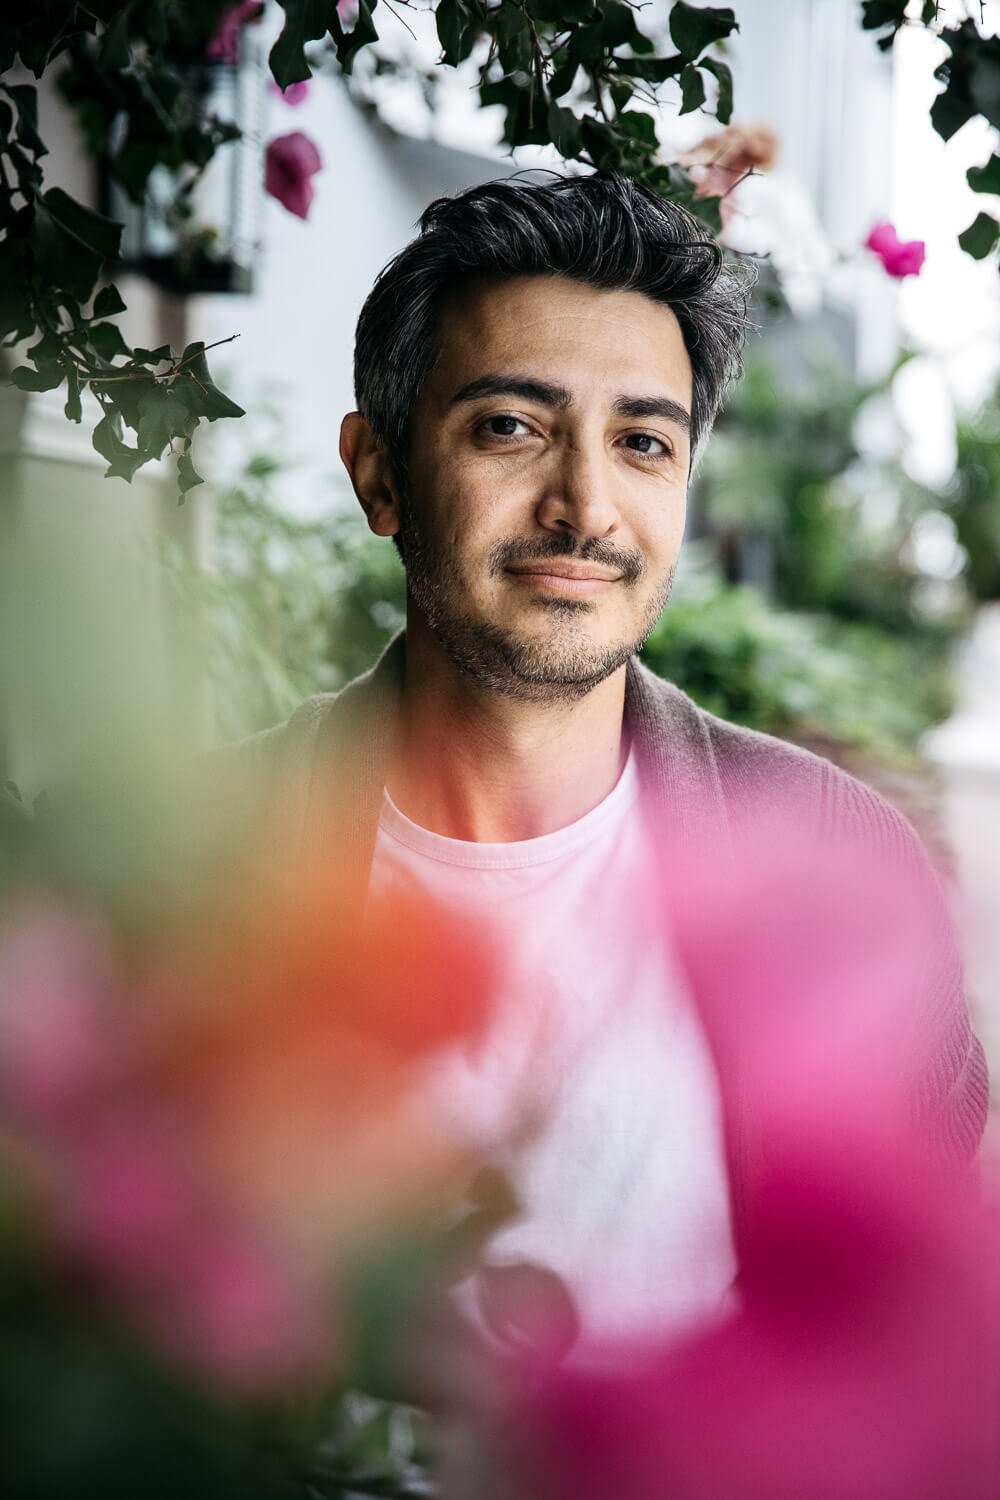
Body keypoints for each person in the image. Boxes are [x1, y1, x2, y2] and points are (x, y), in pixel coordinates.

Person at [234, 173, 987, 1360]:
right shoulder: (195, 858)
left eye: (642, 442)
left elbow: (910, 1336)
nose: (586, 506)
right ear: (378, 472)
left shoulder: (831, 865)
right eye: (511, 427)